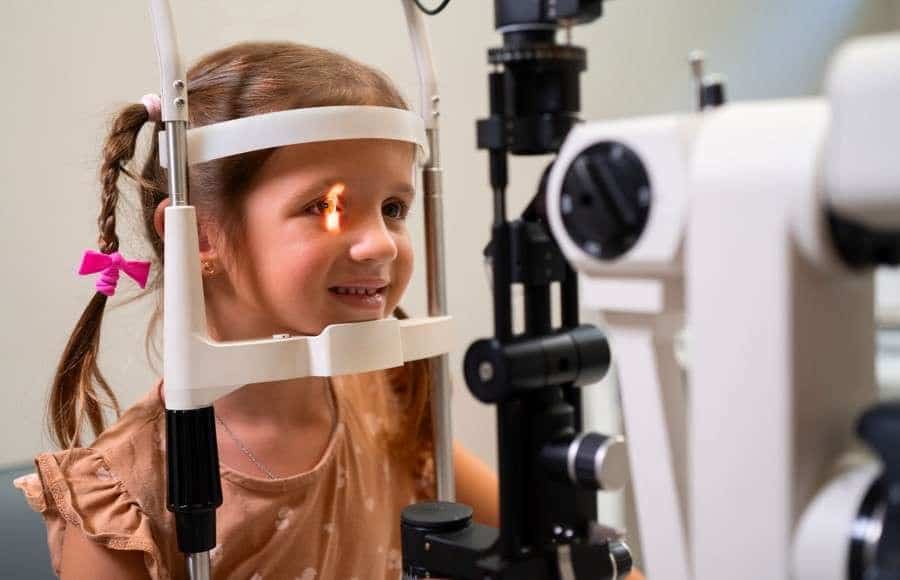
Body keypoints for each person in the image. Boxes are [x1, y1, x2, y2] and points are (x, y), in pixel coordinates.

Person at [14, 41, 499, 579]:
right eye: (325, 206)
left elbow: (524, 543)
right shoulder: (124, 498)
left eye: (393, 208)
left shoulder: (390, 395)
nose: (381, 244)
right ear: (199, 236)